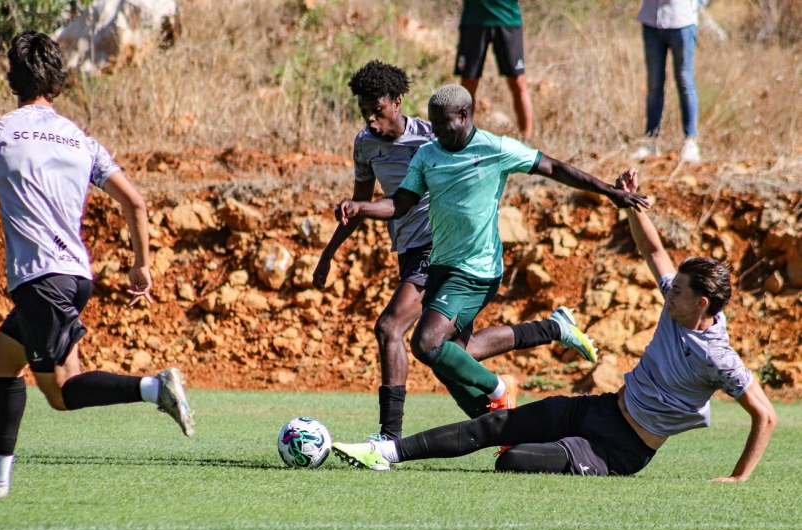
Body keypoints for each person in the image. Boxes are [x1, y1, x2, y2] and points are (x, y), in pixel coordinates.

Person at [332, 168, 777, 480]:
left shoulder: (717, 355)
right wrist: (629, 203)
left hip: (619, 450)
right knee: (494, 426)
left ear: (702, 304)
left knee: (512, 462)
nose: (668, 292)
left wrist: (738, 478)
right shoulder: (680, 300)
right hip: (600, 408)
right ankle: (386, 452)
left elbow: (766, 415)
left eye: (677, 291)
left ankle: (552, 442)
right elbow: (654, 251)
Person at [0, 31, 195, 500]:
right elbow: (135, 204)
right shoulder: (83, 141)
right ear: (58, 82)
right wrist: (142, 265)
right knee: (2, 359)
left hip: (40, 280)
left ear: (12, 79)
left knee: (63, 391)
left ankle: (153, 387)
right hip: (75, 275)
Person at [332, 84, 649, 426]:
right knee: (453, 358)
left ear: (464, 116)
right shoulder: (428, 155)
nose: (434, 131)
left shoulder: (495, 148)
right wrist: (361, 206)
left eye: (441, 123)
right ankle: (506, 423)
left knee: (425, 343)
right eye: (432, 123)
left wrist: (608, 191)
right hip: (442, 266)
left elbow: (554, 168)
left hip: (477, 269)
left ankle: (498, 389)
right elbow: (400, 204)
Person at [312, 60, 435, 441]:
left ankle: (389, 438)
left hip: (439, 246)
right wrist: (328, 254)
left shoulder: (430, 139)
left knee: (389, 327)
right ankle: (550, 329)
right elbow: (360, 203)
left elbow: (402, 202)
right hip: (408, 251)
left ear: (397, 102)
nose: (369, 119)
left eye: (376, 110)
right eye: (363, 111)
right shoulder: (365, 144)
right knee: (451, 349)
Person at [632, 0, 705, 162]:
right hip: (651, 20)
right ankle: (650, 141)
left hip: (682, 20)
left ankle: (690, 142)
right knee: (654, 83)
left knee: (685, 80)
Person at [455, 0, 533, 140]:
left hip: (507, 18)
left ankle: (527, 142)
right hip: (474, 20)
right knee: (468, 83)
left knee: (518, 82)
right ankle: (463, 140)